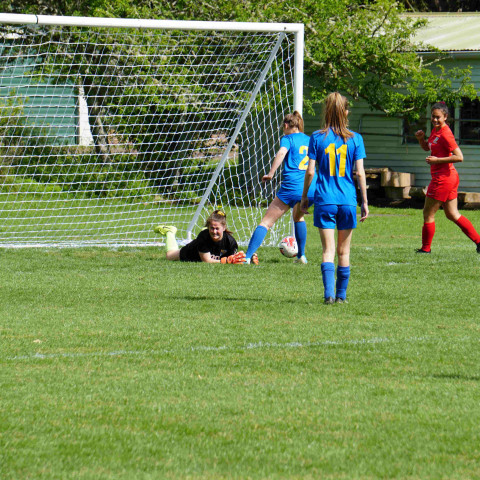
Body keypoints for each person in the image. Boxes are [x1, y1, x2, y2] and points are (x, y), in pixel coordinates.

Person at [301, 92, 368, 304]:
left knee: (328, 250)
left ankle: (328, 294)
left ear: (326, 111)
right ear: (346, 112)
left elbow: (310, 172)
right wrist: (364, 201)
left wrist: (305, 197)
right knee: (344, 251)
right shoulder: (356, 139)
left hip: (325, 199)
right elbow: (360, 173)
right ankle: (342, 296)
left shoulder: (317, 137)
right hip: (347, 199)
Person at [244, 111, 317, 264]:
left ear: (286, 125)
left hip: (292, 186)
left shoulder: (287, 138)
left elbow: (282, 152)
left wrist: (271, 173)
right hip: (310, 188)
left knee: (266, 222)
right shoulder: (311, 140)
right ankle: (301, 256)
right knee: (298, 217)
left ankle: (247, 257)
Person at [415, 102, 480, 254]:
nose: (435, 120)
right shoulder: (435, 131)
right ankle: (479, 242)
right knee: (452, 214)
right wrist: (420, 139)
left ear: (445, 117)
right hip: (448, 177)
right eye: (433, 117)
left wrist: (437, 160)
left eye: (438, 117)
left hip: (443, 178)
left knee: (428, 213)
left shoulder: (445, 133)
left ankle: (425, 249)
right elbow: (428, 147)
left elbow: (459, 157)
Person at [153, 210, 247, 264]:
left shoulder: (231, 242)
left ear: (224, 227)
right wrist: (225, 261)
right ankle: (170, 232)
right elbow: (206, 260)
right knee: (169, 256)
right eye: (211, 228)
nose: (214, 231)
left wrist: (248, 259)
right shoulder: (204, 237)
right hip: (190, 253)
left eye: (217, 228)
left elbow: (234, 259)